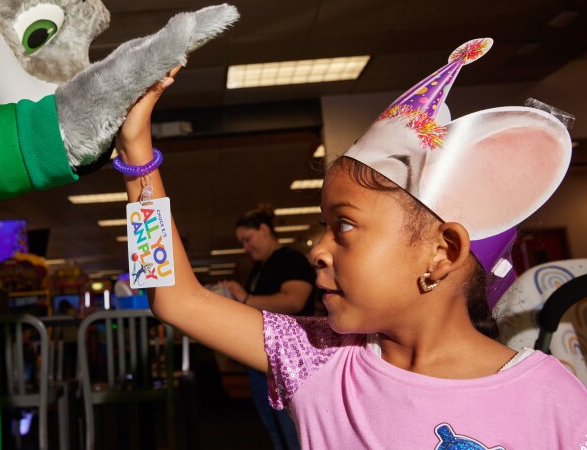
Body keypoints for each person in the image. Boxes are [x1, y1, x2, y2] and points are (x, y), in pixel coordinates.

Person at [114, 41, 587, 448]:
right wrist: (137, 155)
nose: (318, 250)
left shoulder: (552, 397)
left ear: (441, 252)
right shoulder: (320, 359)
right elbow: (176, 298)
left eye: (343, 226)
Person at [223, 206, 314, 450]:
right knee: (276, 434)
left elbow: (294, 300)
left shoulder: (290, 259)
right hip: (262, 363)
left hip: (288, 362)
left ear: (264, 230)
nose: (245, 247)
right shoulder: (258, 268)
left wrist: (246, 299)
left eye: (247, 239)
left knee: (293, 435)